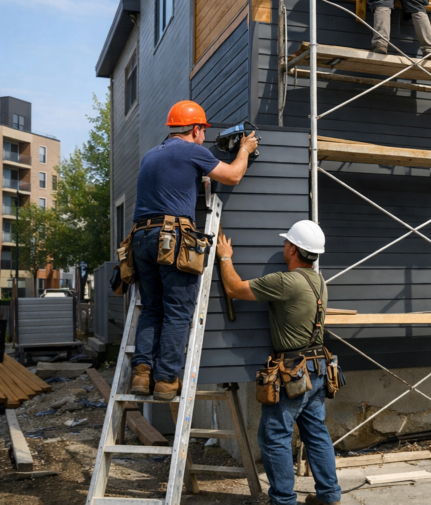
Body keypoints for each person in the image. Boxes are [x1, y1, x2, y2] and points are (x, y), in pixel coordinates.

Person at [130, 101, 258, 400]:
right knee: (177, 311)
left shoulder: (151, 155)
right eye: (204, 132)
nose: (205, 139)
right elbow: (233, 175)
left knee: (151, 308)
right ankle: (164, 380)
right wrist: (245, 150)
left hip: (140, 238)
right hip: (171, 238)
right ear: (196, 129)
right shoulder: (192, 151)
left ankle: (141, 374)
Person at [217, 221, 340, 505]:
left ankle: (283, 500)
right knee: (316, 433)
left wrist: (225, 256)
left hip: (293, 371)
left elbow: (234, 288)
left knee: (275, 435)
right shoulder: (319, 281)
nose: (283, 247)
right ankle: (329, 496)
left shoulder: (285, 282)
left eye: (286, 243)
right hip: (319, 367)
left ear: (294, 249)